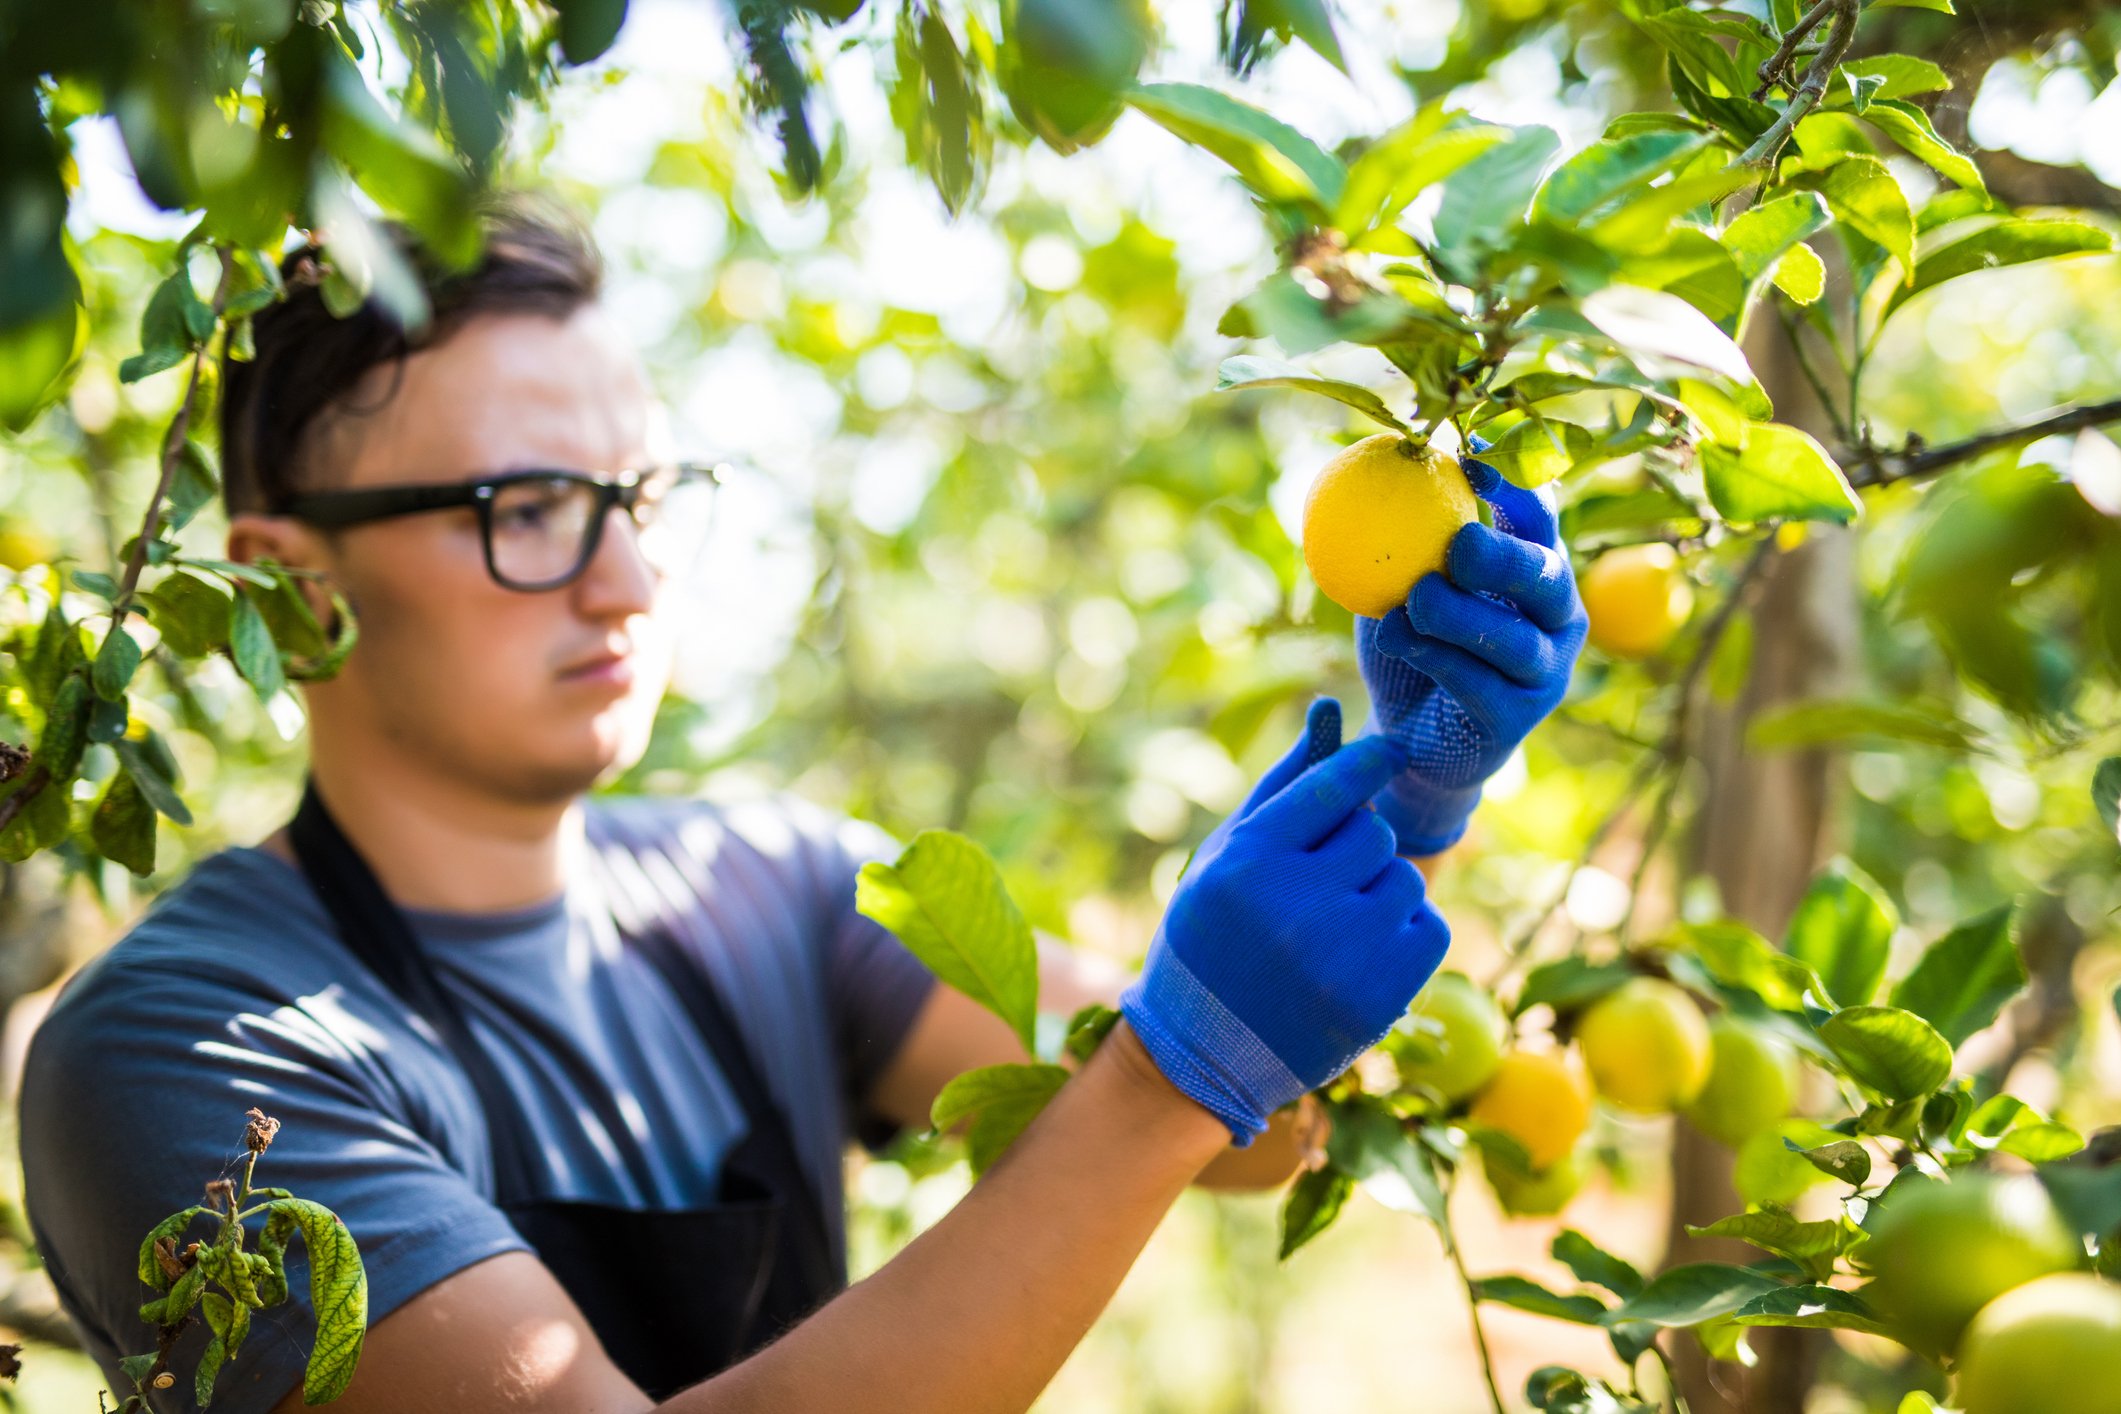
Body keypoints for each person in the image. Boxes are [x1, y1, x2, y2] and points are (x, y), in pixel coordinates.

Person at [17, 192, 1585, 1414]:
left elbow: (1248, 1133)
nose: (629, 580)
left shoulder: (763, 885)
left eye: (637, 498)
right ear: (292, 592)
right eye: (528, 509)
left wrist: (1407, 793)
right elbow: (1175, 1087)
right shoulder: (189, 1044)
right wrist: (1173, 1068)